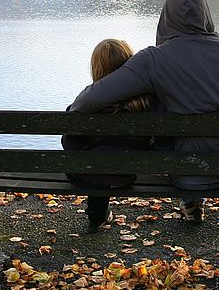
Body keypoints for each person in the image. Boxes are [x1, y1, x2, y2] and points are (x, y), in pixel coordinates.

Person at [68, 0, 219, 221]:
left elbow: (88, 101)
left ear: (166, 17)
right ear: (206, 14)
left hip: (185, 172)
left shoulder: (154, 59)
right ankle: (192, 205)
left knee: (169, 126)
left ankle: (190, 198)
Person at [62, 39, 154, 232]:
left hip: (84, 176)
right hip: (125, 175)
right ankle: (99, 215)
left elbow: (69, 142)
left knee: (92, 161)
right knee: (107, 159)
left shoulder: (87, 104)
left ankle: (97, 216)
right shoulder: (145, 105)